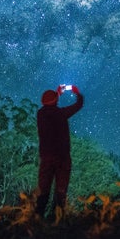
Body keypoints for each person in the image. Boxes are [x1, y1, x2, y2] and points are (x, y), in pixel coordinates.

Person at [35, 85, 84, 218]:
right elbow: (79, 104)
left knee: (43, 190)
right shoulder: (61, 114)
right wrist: (76, 92)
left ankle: (37, 220)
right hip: (62, 158)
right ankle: (58, 220)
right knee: (61, 191)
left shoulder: (40, 114)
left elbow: (50, 104)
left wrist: (57, 94)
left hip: (46, 158)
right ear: (55, 100)